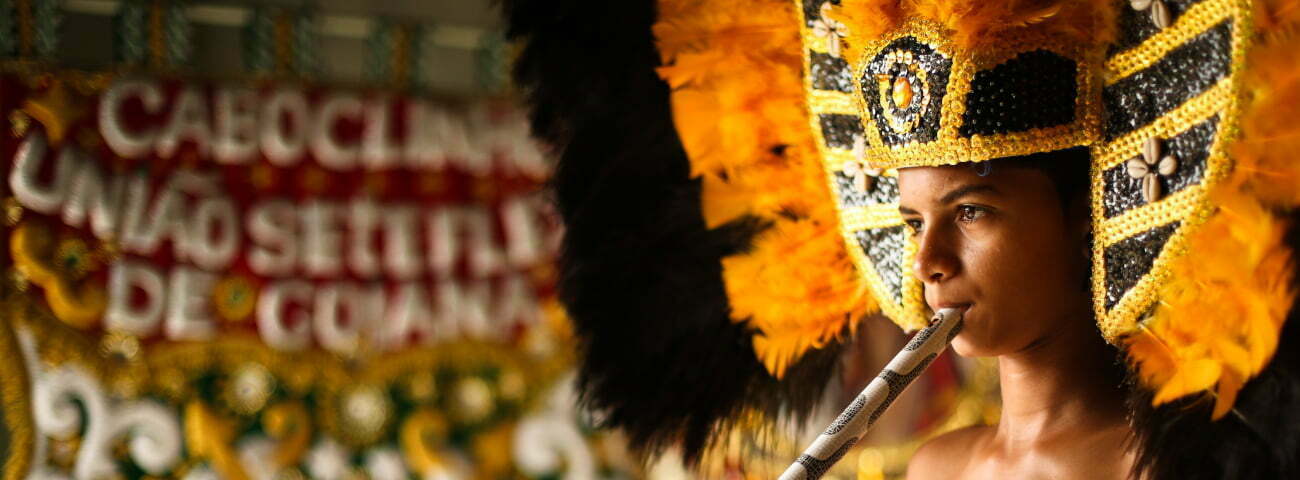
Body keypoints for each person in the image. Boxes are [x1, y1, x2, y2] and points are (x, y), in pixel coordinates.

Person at [503, 0, 1300, 478]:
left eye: (974, 212)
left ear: (1085, 213)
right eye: (913, 221)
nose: (929, 263)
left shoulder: (1173, 470)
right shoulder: (936, 466)